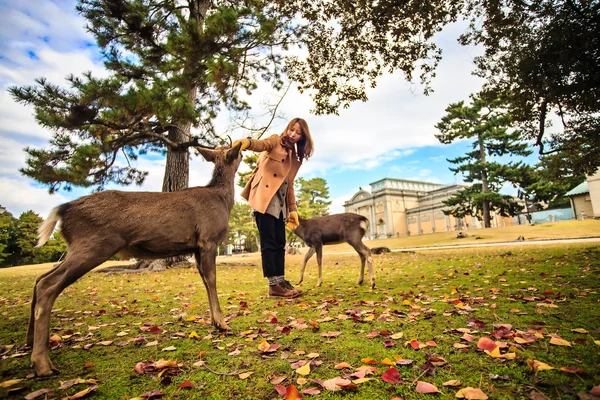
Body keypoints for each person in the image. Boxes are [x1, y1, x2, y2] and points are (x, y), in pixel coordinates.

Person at [234, 118, 314, 298]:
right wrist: (246, 143)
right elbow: (261, 144)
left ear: (303, 137)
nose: (293, 134)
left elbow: (289, 184)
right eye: (292, 130)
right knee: (269, 242)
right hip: (265, 198)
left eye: (298, 132)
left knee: (280, 243)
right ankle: (273, 286)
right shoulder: (276, 140)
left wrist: (292, 209)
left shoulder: (295, 157)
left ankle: (281, 280)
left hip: (280, 202)